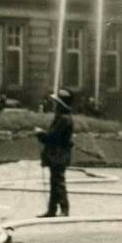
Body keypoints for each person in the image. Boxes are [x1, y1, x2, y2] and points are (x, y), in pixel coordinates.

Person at [35, 88, 74, 218]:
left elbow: (53, 137)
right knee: (54, 181)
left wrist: (40, 134)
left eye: (57, 103)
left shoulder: (64, 119)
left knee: (58, 182)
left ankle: (64, 209)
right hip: (57, 154)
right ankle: (52, 209)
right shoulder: (62, 118)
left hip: (59, 154)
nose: (55, 106)